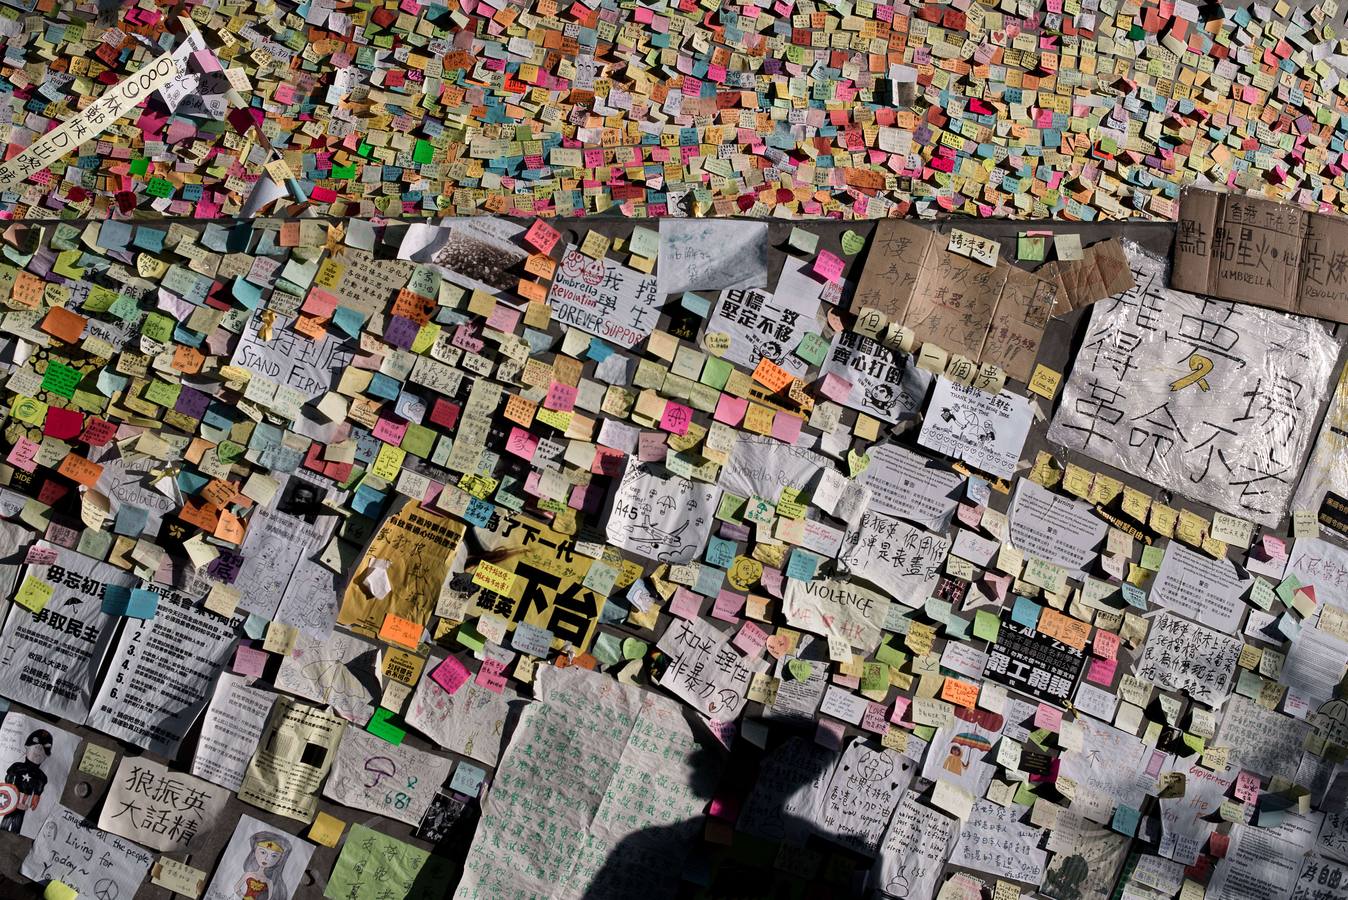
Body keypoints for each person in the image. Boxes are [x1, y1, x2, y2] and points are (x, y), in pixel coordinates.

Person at [1, 729, 52, 833]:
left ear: (47, 755)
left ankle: (14, 833)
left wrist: (36, 797)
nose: (39, 749)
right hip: (11, 799)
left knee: (17, 824)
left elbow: (39, 788)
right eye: (36, 744)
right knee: (7, 820)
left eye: (44, 747)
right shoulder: (17, 767)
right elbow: (8, 779)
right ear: (27, 746)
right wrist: (6, 792)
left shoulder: (41, 776)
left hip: (24, 801)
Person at [233, 832, 291, 900]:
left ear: (280, 859)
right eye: (263, 852)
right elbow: (236, 888)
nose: (266, 858)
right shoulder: (248, 874)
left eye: (274, 856)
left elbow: (269, 898)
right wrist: (244, 897)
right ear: (254, 852)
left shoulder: (269, 882)